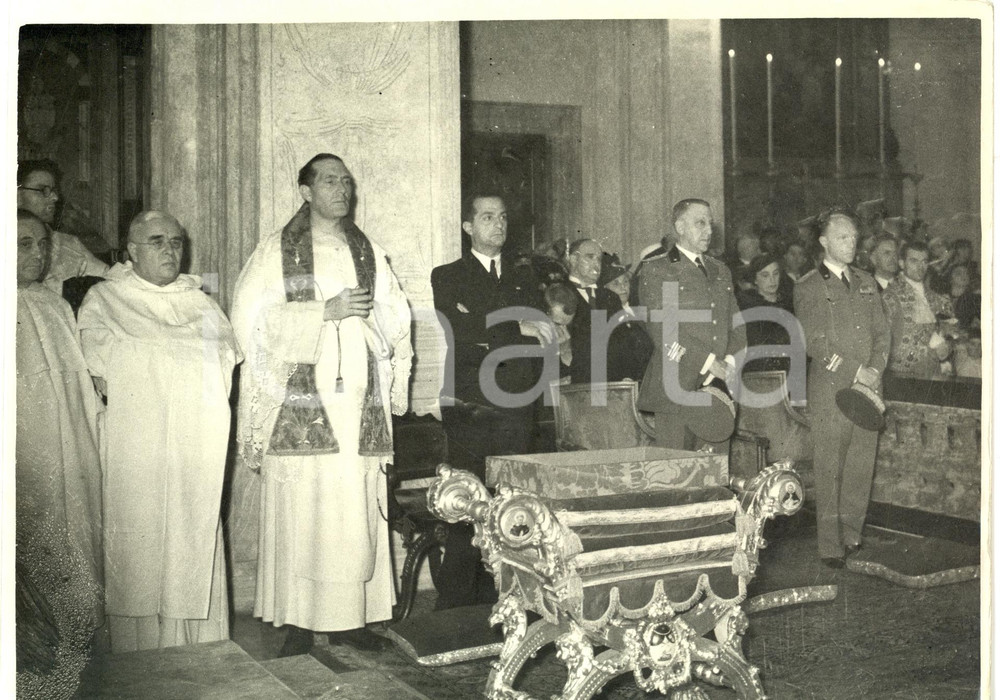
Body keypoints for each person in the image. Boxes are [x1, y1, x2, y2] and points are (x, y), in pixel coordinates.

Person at [231, 154, 412, 655]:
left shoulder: (368, 249)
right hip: (302, 401)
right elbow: (249, 324)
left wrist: (373, 323)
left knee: (353, 509)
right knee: (305, 508)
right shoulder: (275, 251)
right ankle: (298, 620)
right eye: (330, 180)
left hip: (357, 401)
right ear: (306, 191)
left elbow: (397, 319)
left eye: (347, 181)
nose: (342, 188)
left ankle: (351, 618)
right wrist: (322, 314)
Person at [78, 211, 238, 653]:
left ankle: (201, 646)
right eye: (158, 241)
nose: (171, 250)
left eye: (177, 242)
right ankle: (137, 655)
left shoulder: (201, 303)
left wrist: (165, 361)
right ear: (132, 251)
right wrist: (174, 362)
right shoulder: (105, 299)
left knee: (193, 530)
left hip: (194, 444)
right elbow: (101, 366)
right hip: (138, 444)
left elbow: (225, 357)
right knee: (139, 541)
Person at [431, 192, 553, 609]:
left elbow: (543, 327)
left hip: (518, 402)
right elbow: (463, 329)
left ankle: (508, 598)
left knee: (513, 502)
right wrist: (519, 326)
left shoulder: (524, 278)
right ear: (468, 227)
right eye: (487, 217)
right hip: (470, 403)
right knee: (470, 500)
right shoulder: (447, 275)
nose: (498, 224)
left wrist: (509, 328)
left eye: (502, 217)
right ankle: (455, 604)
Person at [15, 209, 104, 681]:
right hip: (23, 449)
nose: (38, 253)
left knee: (74, 528)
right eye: (24, 243)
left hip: (69, 440)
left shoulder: (56, 305)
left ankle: (73, 642)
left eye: (42, 244)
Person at [793, 208, 889, 568]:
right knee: (830, 467)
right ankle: (830, 544)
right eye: (842, 237)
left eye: (853, 237)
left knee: (861, 465)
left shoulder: (866, 280)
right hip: (832, 389)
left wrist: (876, 368)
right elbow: (814, 342)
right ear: (824, 242)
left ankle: (852, 534)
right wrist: (854, 371)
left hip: (868, 387)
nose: (851, 244)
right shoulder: (808, 286)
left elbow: (883, 333)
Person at [637, 198, 746, 450]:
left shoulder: (721, 270)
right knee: (677, 475)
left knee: (715, 475)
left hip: (719, 389)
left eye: (710, 223)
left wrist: (729, 364)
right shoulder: (658, 269)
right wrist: (709, 363)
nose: (709, 230)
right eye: (700, 223)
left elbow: (737, 324)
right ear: (680, 227)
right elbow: (664, 330)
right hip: (677, 386)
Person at [17, 159, 109, 299]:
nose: (55, 197)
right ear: (16, 194)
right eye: (43, 190)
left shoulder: (67, 244)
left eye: (54, 191)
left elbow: (109, 278)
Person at [882, 241, 955, 379]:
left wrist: (947, 346)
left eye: (924, 261)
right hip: (900, 375)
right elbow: (882, 342)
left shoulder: (935, 297)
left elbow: (953, 330)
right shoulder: (889, 297)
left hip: (933, 374)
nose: (920, 267)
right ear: (902, 263)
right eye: (914, 261)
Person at [736, 254, 794, 372]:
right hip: (759, 372)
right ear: (755, 279)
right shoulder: (746, 306)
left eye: (775, 274)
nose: (772, 280)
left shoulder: (789, 304)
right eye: (765, 275)